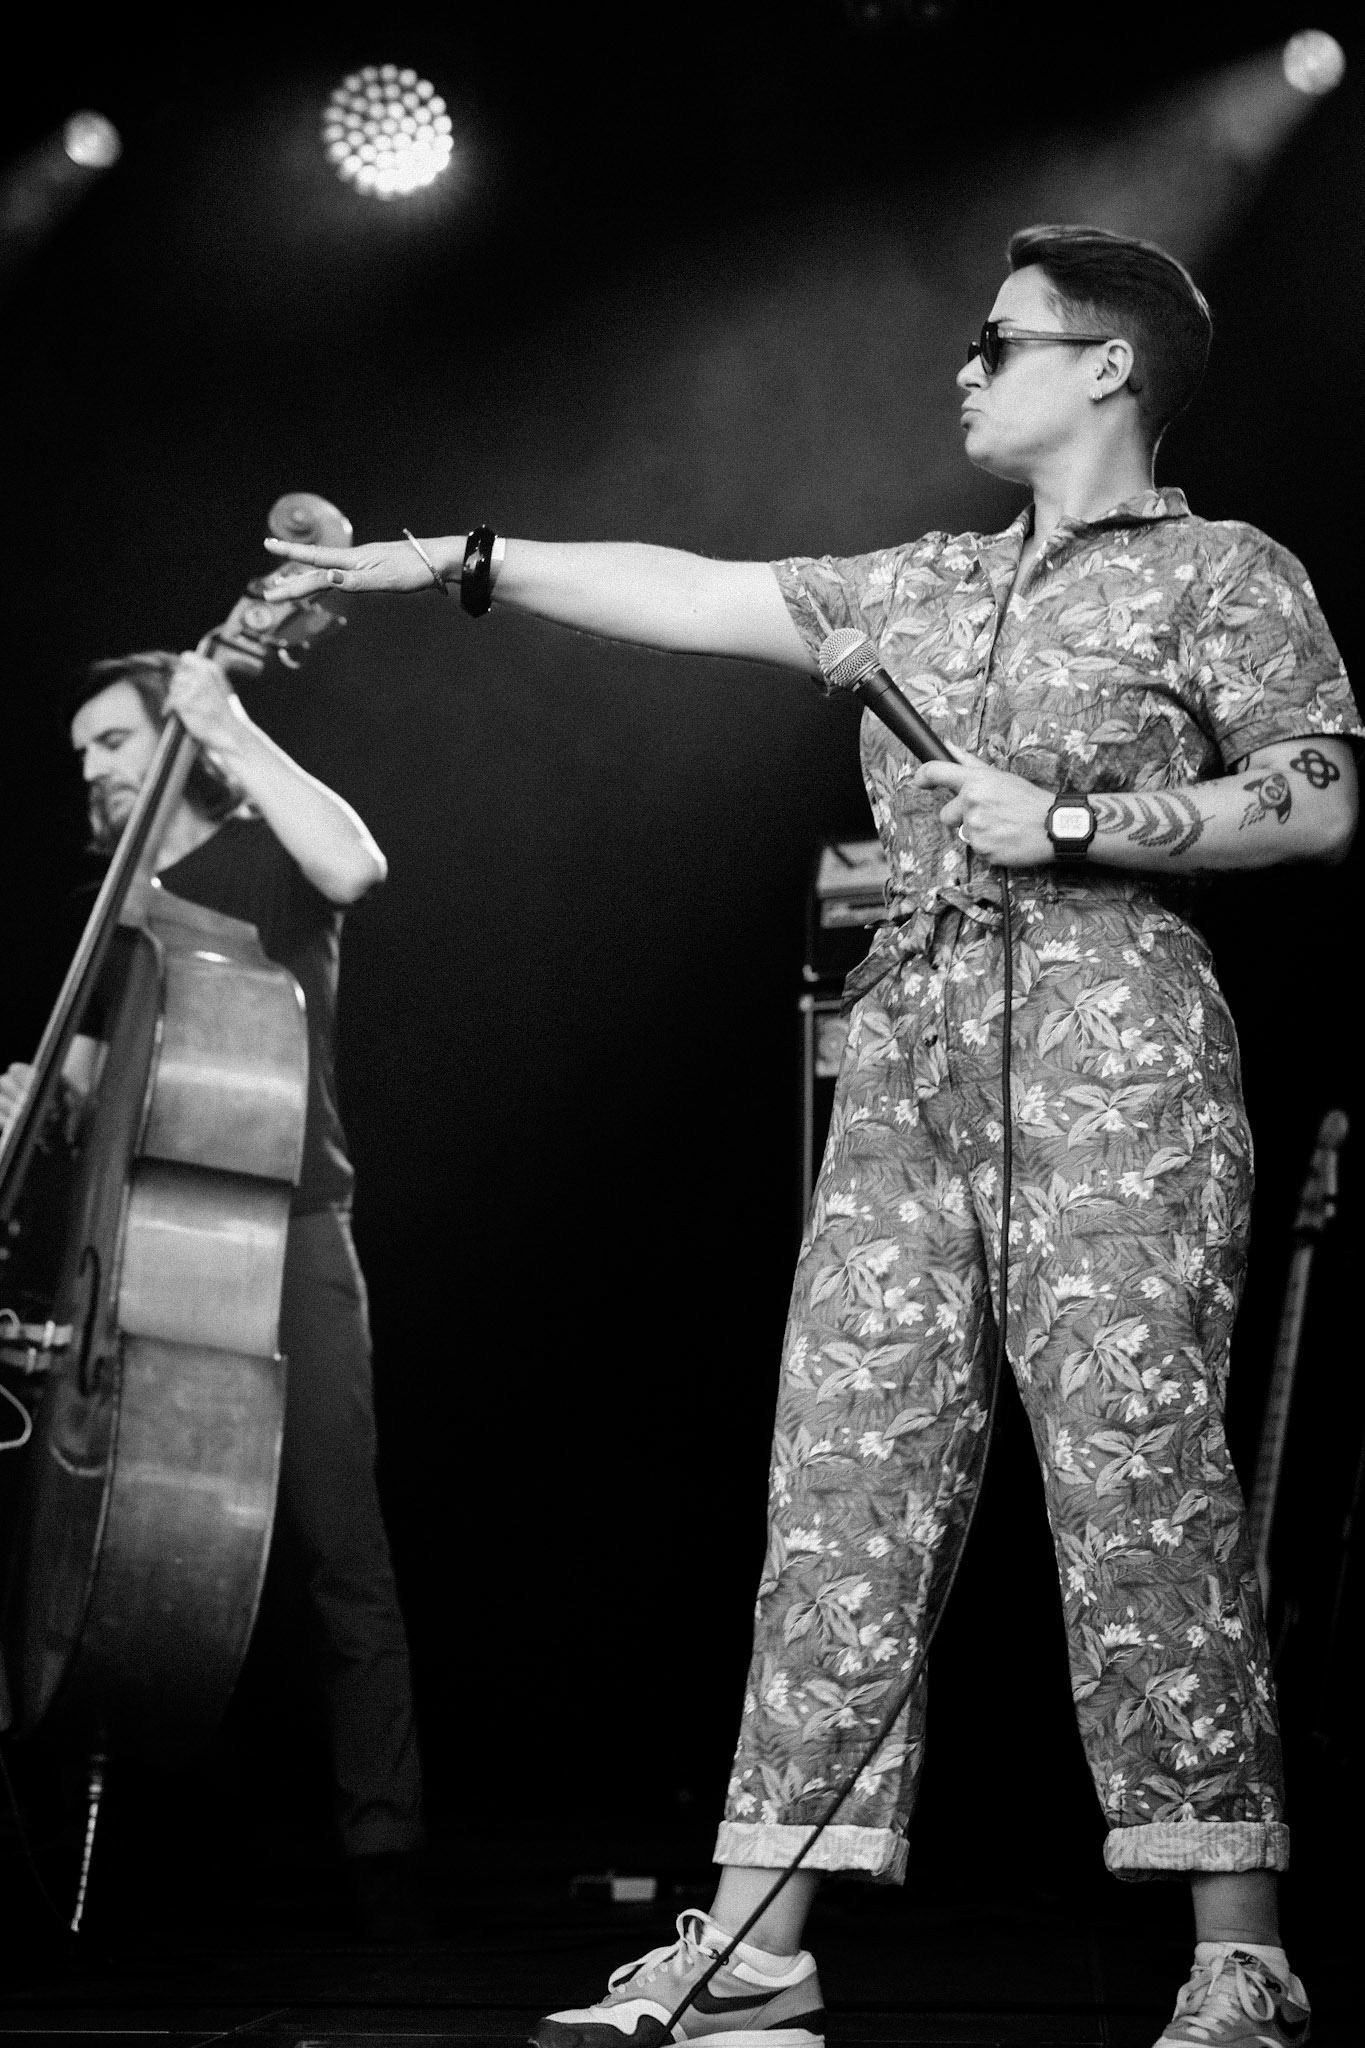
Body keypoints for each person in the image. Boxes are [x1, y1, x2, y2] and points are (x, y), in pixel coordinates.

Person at [261, 225, 1359, 2048]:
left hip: (1124, 1055)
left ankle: (1236, 1943)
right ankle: (761, 1939)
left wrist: (1073, 821)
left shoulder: (1225, 571)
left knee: (1139, 1479)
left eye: (996, 340)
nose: (963, 366)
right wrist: (448, 559)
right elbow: (687, 587)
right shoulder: (914, 584)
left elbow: (1318, 796)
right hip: (912, 1058)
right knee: (842, 1483)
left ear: (1109, 367)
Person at [1, 651, 425, 1933]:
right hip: (137, 1248)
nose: (93, 767)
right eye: (81, 752)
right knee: (153, 1556)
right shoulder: (107, 905)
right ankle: (159, 1851)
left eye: (113, 740)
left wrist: (230, 724)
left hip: (288, 1234)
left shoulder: (265, 856)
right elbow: (75, 1092)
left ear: (173, 735)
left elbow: (357, 863)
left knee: (336, 1550)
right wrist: (28, 1100)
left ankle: (385, 1850)